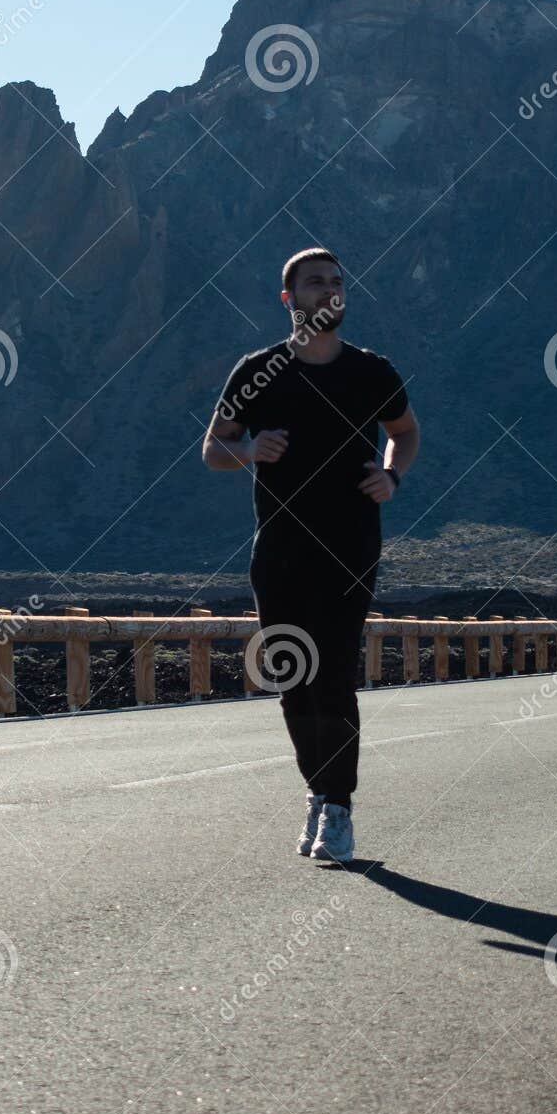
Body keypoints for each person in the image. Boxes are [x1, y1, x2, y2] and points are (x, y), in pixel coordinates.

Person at [202, 247, 420, 862]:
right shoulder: (258, 371)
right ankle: (318, 792)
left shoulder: (371, 372)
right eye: (314, 283)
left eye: (336, 282)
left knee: (335, 674)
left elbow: (405, 433)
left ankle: (341, 808)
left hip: (351, 544)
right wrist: (248, 450)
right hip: (280, 547)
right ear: (289, 298)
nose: (328, 291)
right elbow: (213, 448)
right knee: (292, 676)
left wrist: (392, 476)